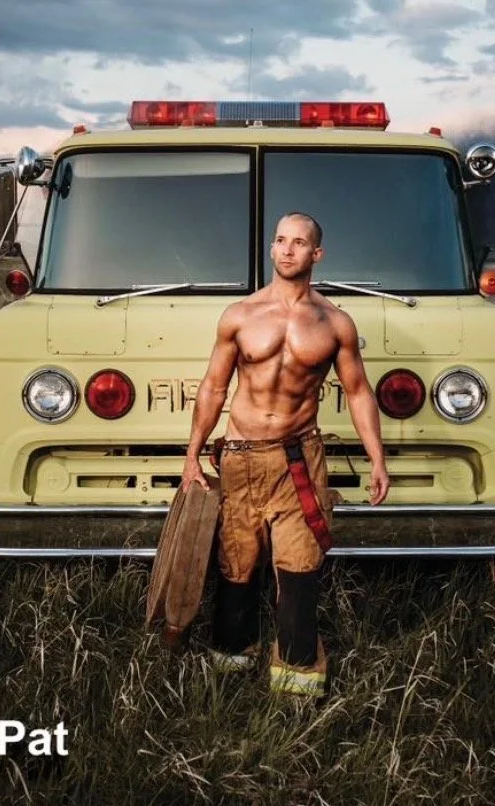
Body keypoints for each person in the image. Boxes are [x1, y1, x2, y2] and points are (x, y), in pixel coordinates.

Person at [180, 211, 391, 698]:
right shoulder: (239, 315)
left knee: (300, 568)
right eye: (280, 241)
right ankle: (230, 668)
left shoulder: (335, 322)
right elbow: (213, 387)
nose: (288, 249)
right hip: (240, 456)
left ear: (316, 254)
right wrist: (192, 456)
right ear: (272, 250)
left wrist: (377, 459)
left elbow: (359, 392)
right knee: (238, 564)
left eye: (299, 242)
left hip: (298, 457)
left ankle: (297, 685)